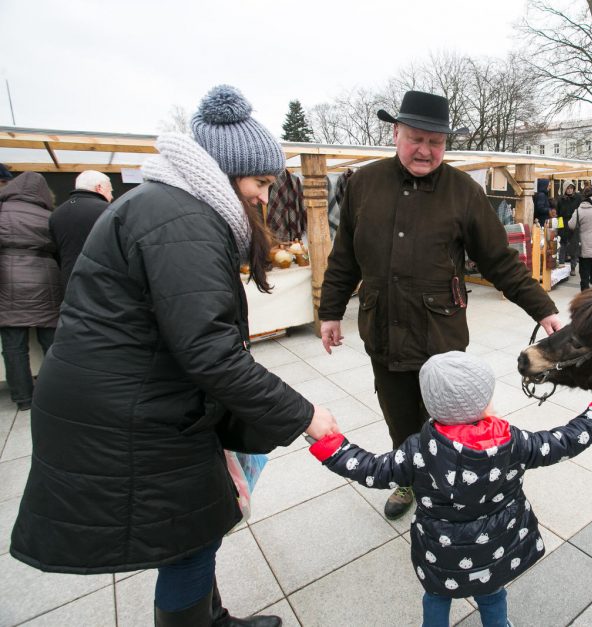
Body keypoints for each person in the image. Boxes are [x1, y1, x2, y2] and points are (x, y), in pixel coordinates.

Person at [10, 85, 338, 627]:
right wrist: (302, 413)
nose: (262, 197)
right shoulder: (182, 221)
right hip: (133, 412)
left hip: (136, 397)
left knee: (195, 525)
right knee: (190, 539)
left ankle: (214, 617)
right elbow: (209, 351)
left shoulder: (168, 204)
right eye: (259, 183)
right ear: (226, 173)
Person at [318, 90, 562, 521]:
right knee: (399, 417)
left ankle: (451, 482)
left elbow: (500, 262)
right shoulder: (364, 184)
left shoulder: (464, 191)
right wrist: (331, 311)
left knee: (450, 419)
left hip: (441, 334)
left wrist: (544, 309)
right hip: (383, 329)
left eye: (436, 142)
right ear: (395, 133)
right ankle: (408, 477)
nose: (425, 150)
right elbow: (344, 257)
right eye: (416, 138)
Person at [306, 351, 592, 627]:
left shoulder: (417, 451)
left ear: (431, 406)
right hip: (495, 547)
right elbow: (563, 442)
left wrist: (330, 446)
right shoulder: (514, 442)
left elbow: (370, 469)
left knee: (436, 595)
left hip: (440, 552)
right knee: (492, 593)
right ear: (484, 402)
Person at [0, 172, 63, 411]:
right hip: (46, 277)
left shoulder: (2, 210)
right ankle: (55, 392)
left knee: (14, 347)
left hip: (8, 281)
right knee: (51, 343)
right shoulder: (49, 215)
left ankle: (23, 397)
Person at [48, 169, 113, 289]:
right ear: (99, 188)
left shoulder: (57, 213)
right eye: (110, 191)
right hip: (102, 283)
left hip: (68, 282)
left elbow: (55, 251)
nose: (112, 196)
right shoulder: (110, 211)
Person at [555, 183, 581, 273]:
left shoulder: (578, 198)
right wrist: (559, 227)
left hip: (574, 223)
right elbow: (558, 214)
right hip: (564, 223)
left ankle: (573, 267)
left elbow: (580, 211)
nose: (569, 190)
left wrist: (578, 223)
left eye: (571, 188)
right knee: (563, 244)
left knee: (574, 245)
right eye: (568, 188)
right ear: (564, 189)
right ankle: (562, 264)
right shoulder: (560, 199)